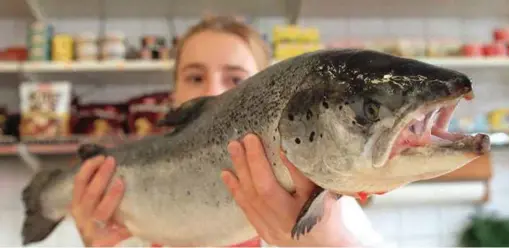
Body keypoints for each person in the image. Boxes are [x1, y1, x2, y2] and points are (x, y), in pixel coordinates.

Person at [69, 15, 387, 247]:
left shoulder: (323, 201)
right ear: (173, 92)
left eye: (236, 80)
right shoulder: (124, 193)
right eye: (195, 78)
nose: (215, 91)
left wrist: (330, 244)